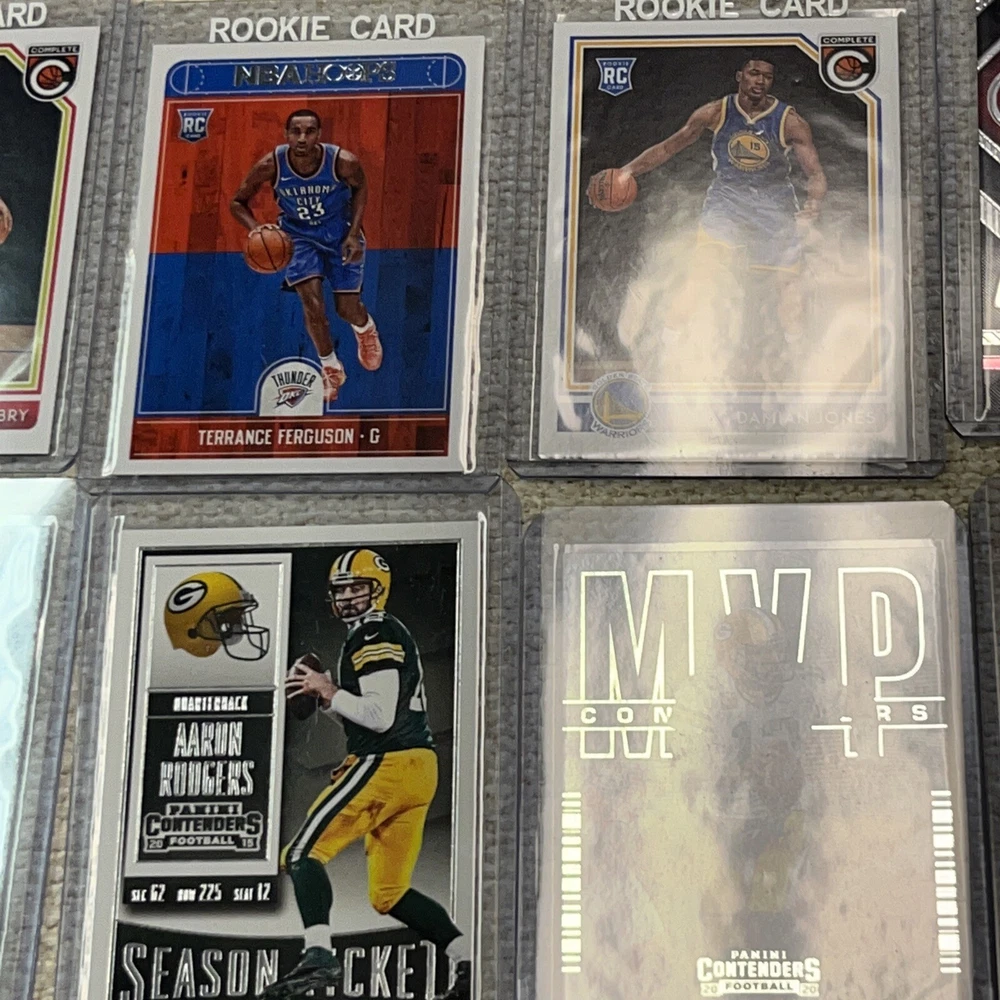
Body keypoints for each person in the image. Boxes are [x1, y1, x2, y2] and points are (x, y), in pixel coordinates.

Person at [260, 549, 471, 1000]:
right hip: (415, 768)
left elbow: (378, 716)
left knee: (301, 854)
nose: (348, 597)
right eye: (341, 590)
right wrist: (329, 701)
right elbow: (370, 718)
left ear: (378, 589)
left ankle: (318, 955)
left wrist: (329, 688)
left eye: (357, 587)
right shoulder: (373, 633)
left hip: (388, 764)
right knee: (389, 893)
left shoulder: (374, 632)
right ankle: (467, 958)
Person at [589, 55, 827, 343]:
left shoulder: (790, 122)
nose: (760, 80)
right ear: (740, 76)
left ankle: (797, 351)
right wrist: (628, 171)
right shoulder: (715, 112)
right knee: (700, 276)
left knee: (788, 289)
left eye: (767, 76)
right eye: (754, 73)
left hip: (774, 207)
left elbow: (815, 173)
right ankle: (665, 346)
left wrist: (813, 203)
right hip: (726, 205)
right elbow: (669, 147)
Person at [231, 109, 383, 404]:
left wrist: (354, 233)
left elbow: (361, 187)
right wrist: (257, 229)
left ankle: (365, 329)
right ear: (286, 135)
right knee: (312, 304)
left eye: (309, 131)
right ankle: (331, 369)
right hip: (298, 238)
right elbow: (237, 202)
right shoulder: (271, 165)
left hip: (339, 233)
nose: (302, 138)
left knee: (346, 309)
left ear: (319, 135)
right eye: (296, 132)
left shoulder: (343, 161)